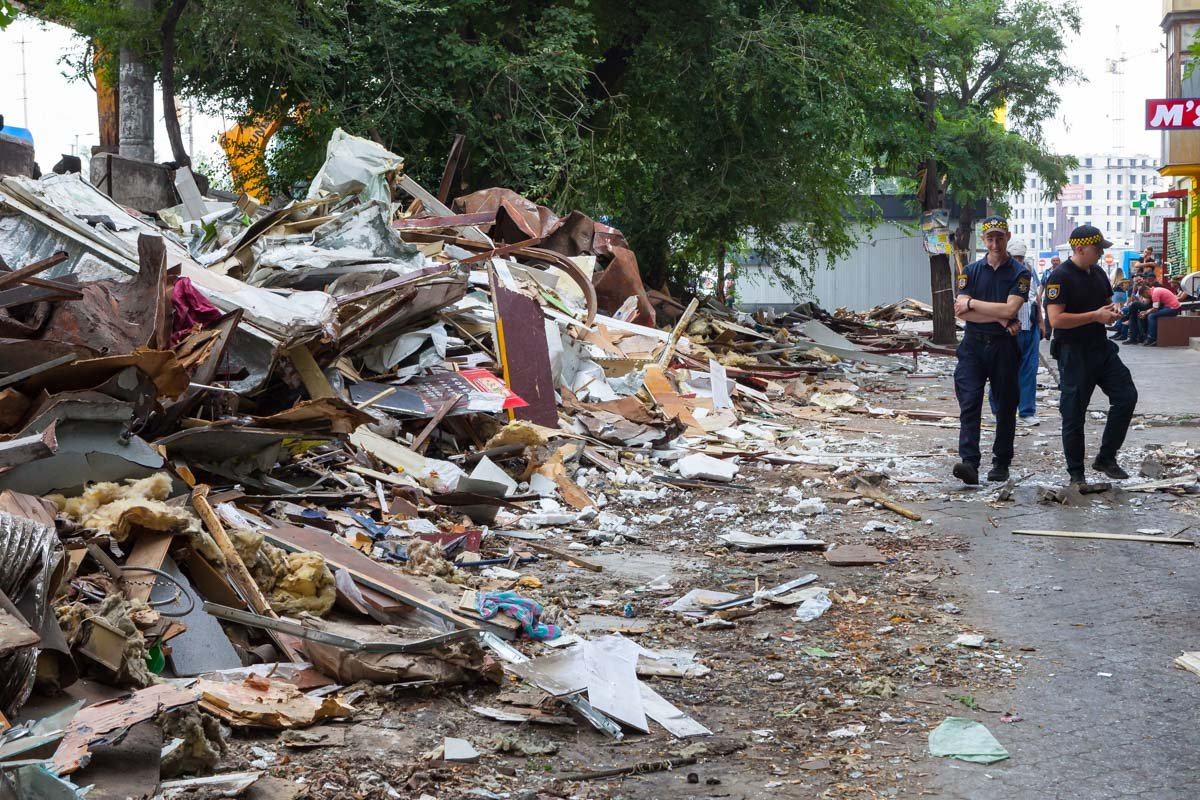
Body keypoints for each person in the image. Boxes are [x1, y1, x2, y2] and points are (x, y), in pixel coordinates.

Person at [1043, 225, 1138, 485]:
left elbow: (1105, 304)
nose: (1100, 254)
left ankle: (1106, 457)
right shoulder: (1060, 277)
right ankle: (1076, 474)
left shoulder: (1097, 272)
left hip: (1101, 348)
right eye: (1097, 249)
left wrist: (1113, 310)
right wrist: (1095, 316)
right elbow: (1056, 319)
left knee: (1126, 396)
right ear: (1080, 248)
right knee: (1074, 413)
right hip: (1074, 352)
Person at [951, 215, 1029, 485]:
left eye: (999, 237)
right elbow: (961, 312)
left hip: (1003, 346)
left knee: (1006, 405)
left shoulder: (1020, 273)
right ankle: (969, 462)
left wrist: (974, 304)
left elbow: (1011, 309)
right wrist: (998, 317)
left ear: (1007, 236)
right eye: (990, 238)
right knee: (970, 401)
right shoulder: (970, 271)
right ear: (983, 240)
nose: (995, 243)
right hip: (973, 345)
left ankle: (1001, 462)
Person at [989, 241, 1040, 425]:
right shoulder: (1001, 272)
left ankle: (1026, 411)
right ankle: (998, 409)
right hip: (1008, 328)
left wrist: (1041, 323)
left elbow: (1036, 297)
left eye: (1021, 257)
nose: (1018, 260)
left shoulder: (1029, 271)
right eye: (1015, 257)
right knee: (1002, 371)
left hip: (1029, 326)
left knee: (1029, 370)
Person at [1136, 281, 1182, 346]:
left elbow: (1155, 308)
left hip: (1173, 309)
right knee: (1151, 314)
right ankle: (1151, 337)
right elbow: (1156, 307)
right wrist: (1146, 312)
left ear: (1145, 292)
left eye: (1144, 296)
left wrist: (1145, 313)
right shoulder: (1156, 290)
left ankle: (1151, 338)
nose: (1145, 297)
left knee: (1151, 316)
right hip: (1171, 307)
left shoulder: (1155, 293)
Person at [1037, 255, 1061, 340]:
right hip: (1048, 298)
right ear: (1051, 262)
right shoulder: (1047, 272)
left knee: (1059, 316)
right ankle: (1048, 334)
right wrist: (1039, 296)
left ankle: (1058, 334)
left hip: (1060, 298)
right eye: (1053, 261)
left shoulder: (1063, 271)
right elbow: (1042, 285)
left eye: (1057, 260)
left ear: (1060, 261)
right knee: (1048, 317)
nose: (1055, 262)